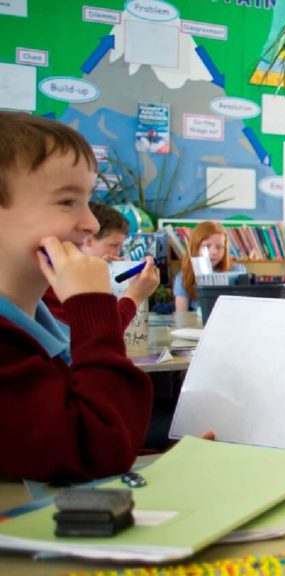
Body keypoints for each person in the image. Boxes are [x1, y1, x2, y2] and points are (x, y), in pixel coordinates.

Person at [0, 111, 152, 481]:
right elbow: (96, 447)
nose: (92, 224)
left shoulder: (36, 323)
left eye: (87, 201)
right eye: (67, 202)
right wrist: (92, 307)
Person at [43, 202, 159, 331]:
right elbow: (101, 334)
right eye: (113, 245)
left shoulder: (76, 276)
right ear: (88, 240)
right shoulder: (51, 280)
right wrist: (134, 297)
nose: (117, 253)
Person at [173, 221, 244, 312]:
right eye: (206, 246)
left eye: (219, 247)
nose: (213, 252)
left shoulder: (237, 271)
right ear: (195, 247)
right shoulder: (183, 278)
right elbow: (181, 315)